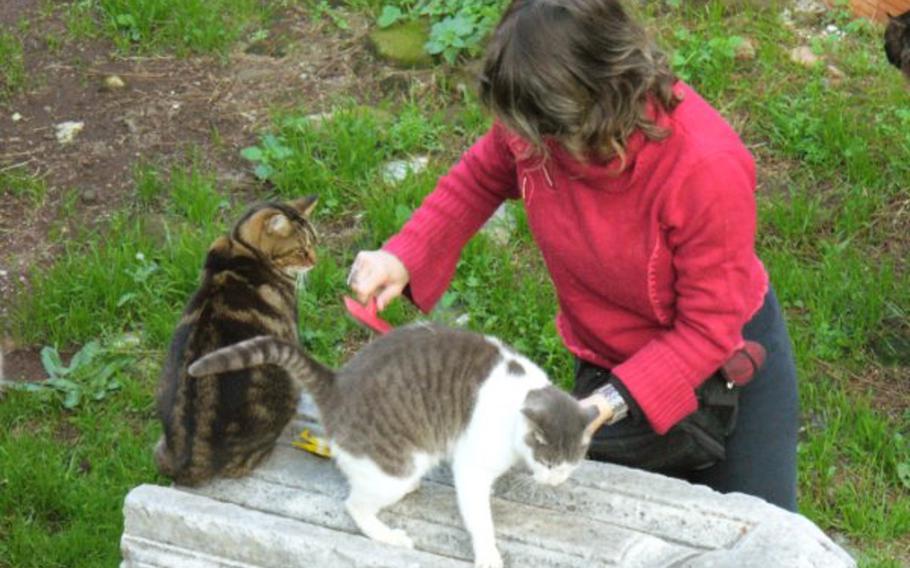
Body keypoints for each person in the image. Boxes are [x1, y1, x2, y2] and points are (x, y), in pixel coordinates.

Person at [347, 0, 799, 512]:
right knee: (612, 525)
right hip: (605, 364)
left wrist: (605, 405)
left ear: (603, 97)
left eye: (553, 135)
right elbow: (479, 177)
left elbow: (708, 327)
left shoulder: (706, 167)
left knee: (758, 530)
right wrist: (402, 255)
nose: (537, 147)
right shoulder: (543, 123)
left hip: (726, 375)